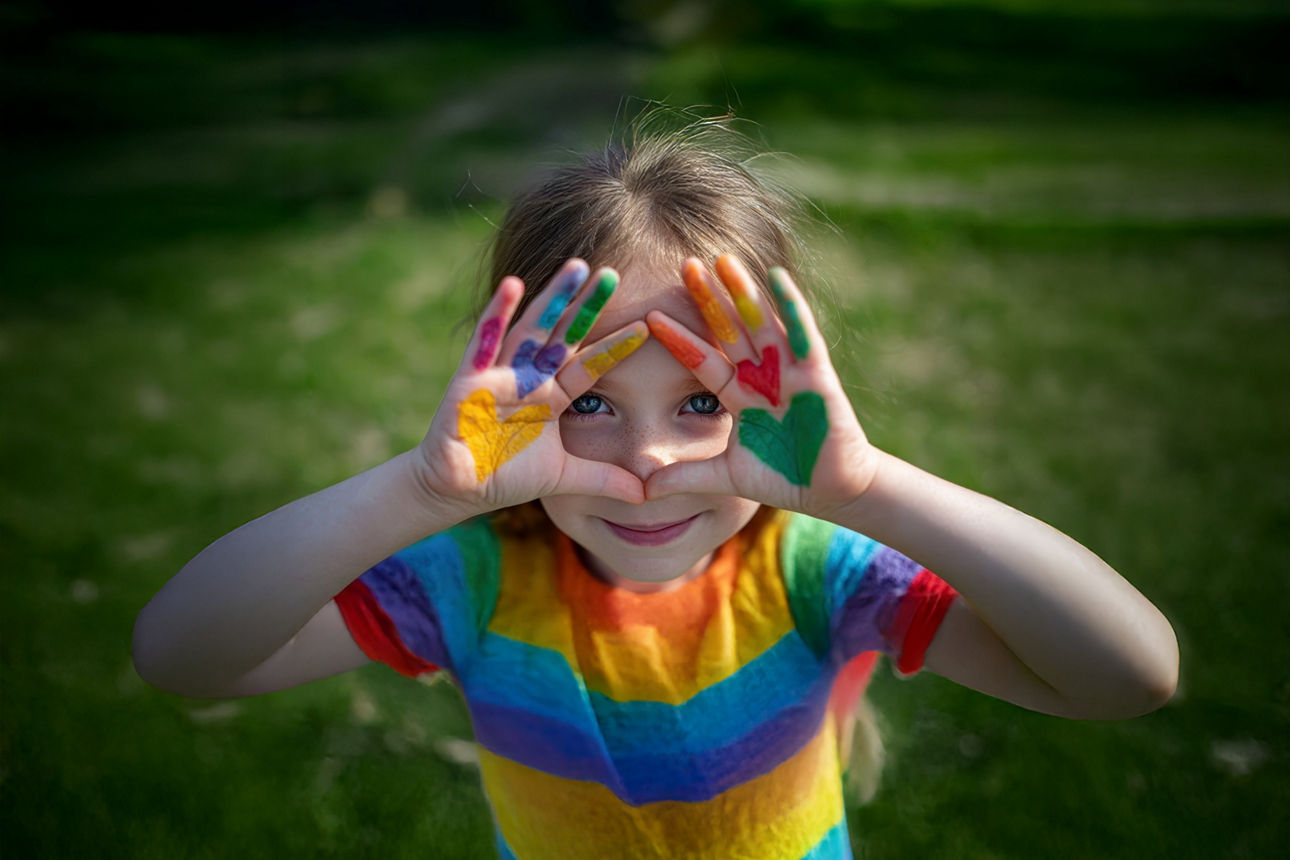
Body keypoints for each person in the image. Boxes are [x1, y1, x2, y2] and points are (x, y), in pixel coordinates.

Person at [132, 117, 1179, 860]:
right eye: (589, 403)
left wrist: (864, 488)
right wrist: (422, 489)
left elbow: (1127, 675)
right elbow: (184, 657)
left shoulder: (817, 569)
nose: (647, 462)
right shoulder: (475, 578)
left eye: (701, 403)